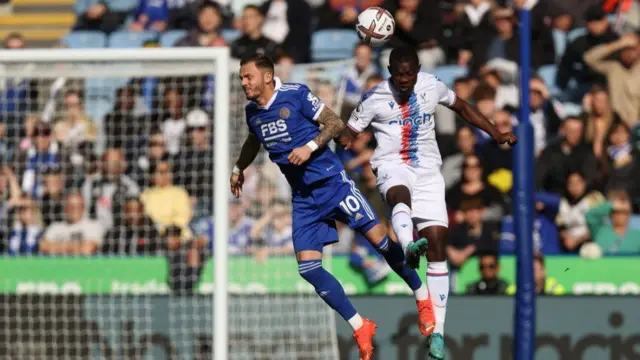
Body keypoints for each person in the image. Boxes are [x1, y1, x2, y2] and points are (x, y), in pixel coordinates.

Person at [231, 53, 432, 360]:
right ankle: (360, 324)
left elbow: (335, 122)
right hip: (303, 199)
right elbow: (252, 141)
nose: (243, 82)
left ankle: (422, 296)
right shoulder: (252, 113)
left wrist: (310, 146)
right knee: (308, 268)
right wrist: (239, 168)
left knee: (380, 243)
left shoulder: (295, 94)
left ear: (267, 77)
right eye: (241, 77)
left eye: (248, 76)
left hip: (333, 184)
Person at [339, 46, 517, 359]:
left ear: (418, 69)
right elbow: (348, 133)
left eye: (410, 73)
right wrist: (324, 141)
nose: (405, 79)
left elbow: (462, 106)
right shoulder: (373, 98)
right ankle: (408, 244)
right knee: (398, 194)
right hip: (391, 164)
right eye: (399, 73)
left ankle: (438, 332)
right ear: (391, 70)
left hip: (427, 171)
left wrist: (494, 131)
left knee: (437, 244)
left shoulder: (431, 85)